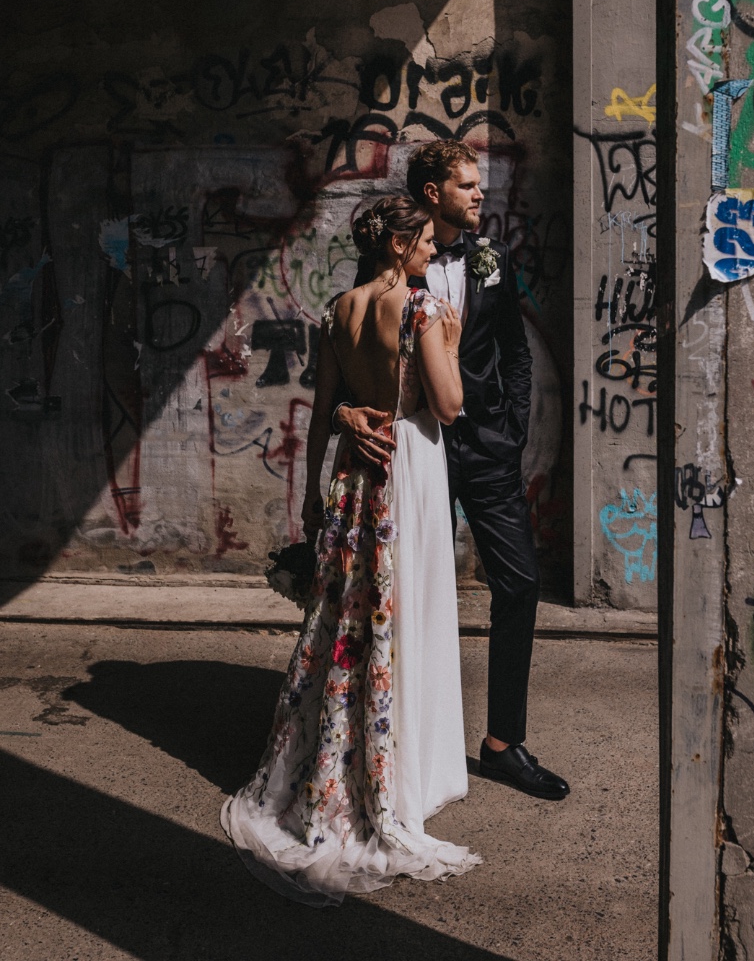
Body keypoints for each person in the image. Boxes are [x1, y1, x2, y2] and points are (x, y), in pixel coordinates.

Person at [221, 195, 481, 906]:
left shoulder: (339, 309)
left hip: (352, 475)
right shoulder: (422, 309)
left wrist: (312, 493)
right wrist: (452, 343)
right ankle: (407, 775)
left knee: (356, 616)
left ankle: (356, 750)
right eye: (424, 240)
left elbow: (324, 410)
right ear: (397, 245)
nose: (433, 249)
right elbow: (448, 406)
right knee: (406, 611)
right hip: (407, 466)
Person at [336, 140, 569, 801]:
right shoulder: (389, 258)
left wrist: (513, 430)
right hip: (416, 450)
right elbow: (351, 355)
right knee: (406, 594)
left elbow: (514, 351)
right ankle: (401, 743)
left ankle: (503, 744)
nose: (480, 194)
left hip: (488, 448)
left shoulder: (493, 257)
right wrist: (346, 412)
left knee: (520, 583)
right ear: (433, 193)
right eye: (467, 185)